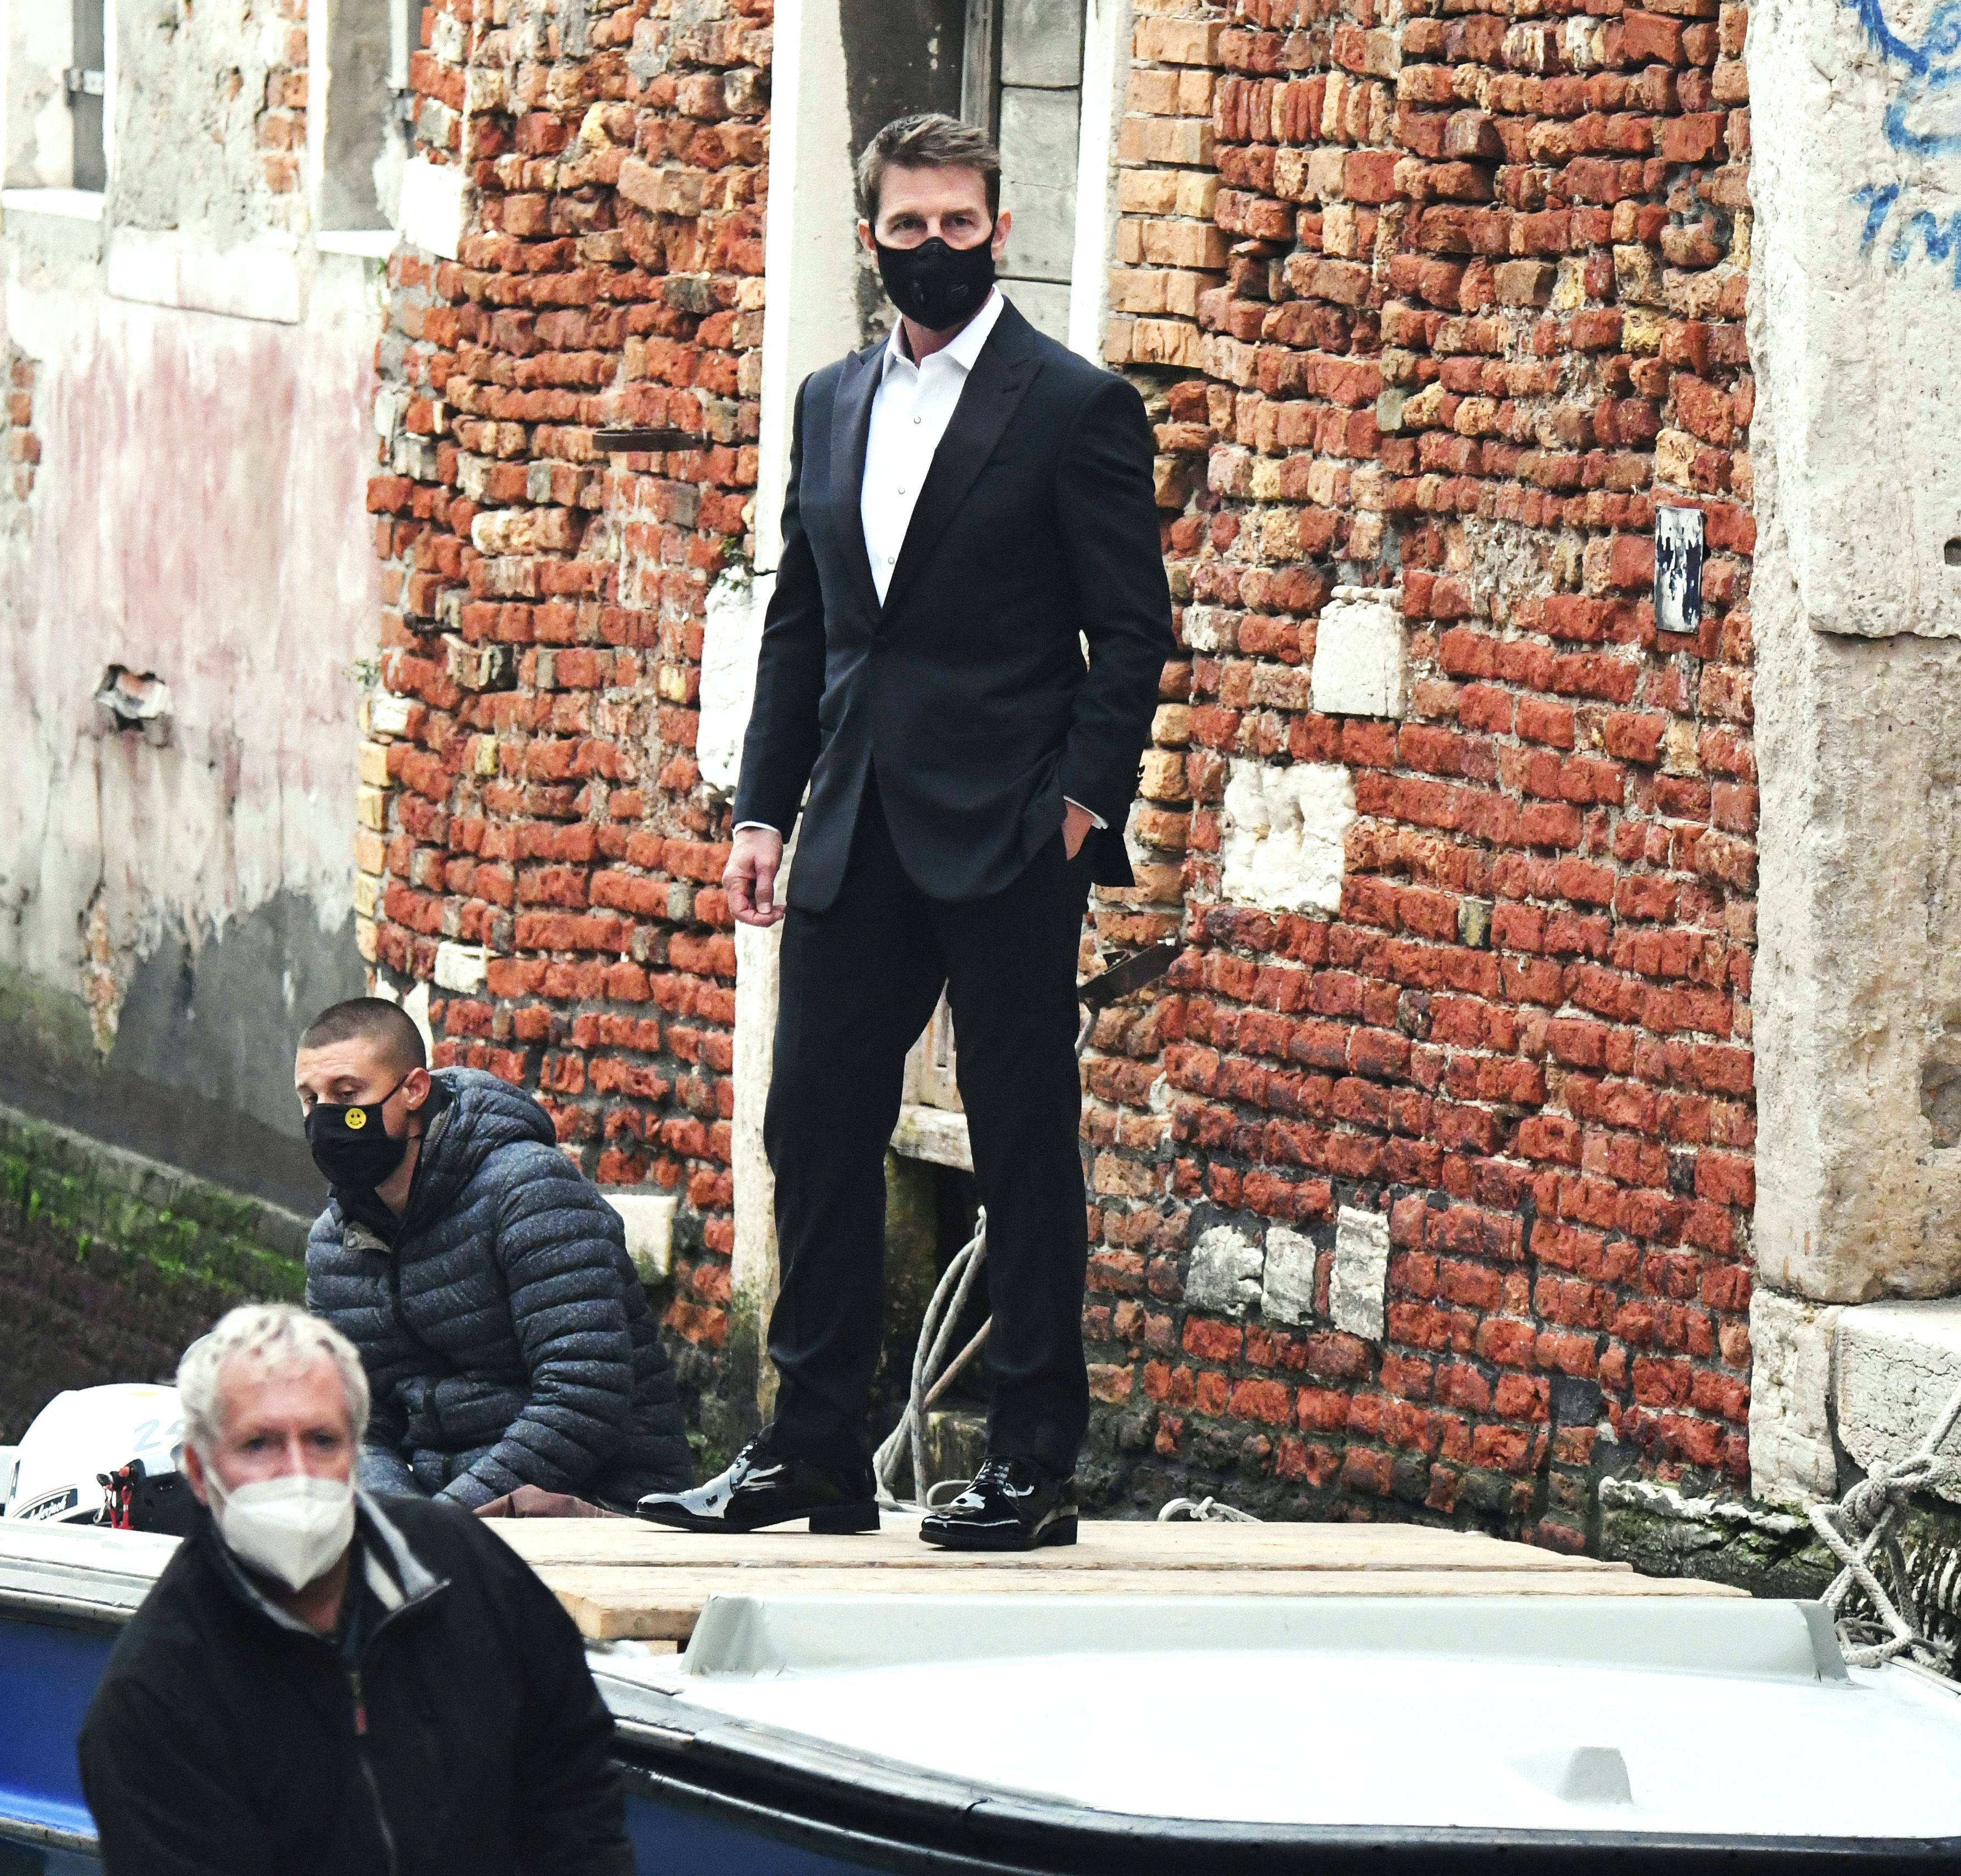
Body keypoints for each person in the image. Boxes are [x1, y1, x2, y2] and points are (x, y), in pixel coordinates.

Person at [638, 113, 1171, 1551]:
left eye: (961, 224)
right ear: (869, 237)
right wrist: (762, 807)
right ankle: (808, 1454)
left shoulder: (1073, 406)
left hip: (1010, 831)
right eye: (908, 226)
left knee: (1020, 1142)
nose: (935, 247)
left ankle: (1030, 1462)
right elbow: (805, 623)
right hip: (853, 824)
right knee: (809, 1123)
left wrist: (1078, 805)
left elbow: (1131, 634)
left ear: (999, 230)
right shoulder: (823, 404)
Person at [77, 1304, 634, 1876]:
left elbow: (574, 1780)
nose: (296, 1472)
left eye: (321, 1440)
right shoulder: (154, 1701)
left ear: (356, 1452)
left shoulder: (463, 1570)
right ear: (198, 1470)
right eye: (259, 1444)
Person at [294, 997, 691, 1512]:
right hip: (441, 1507)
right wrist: (399, 1520)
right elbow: (359, 1424)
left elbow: (583, 1398)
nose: (327, 1118)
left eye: (346, 1094)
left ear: (414, 1089)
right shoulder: (334, 1244)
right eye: (310, 1099)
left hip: (593, 1502)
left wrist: (442, 1526)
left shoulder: (531, 1193)